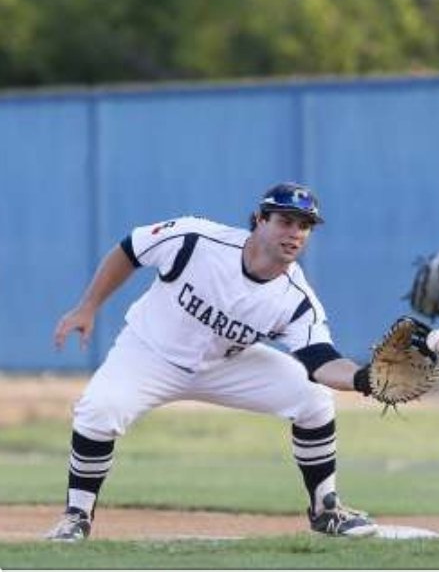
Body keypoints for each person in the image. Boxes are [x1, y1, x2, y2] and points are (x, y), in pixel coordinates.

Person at [46, 182, 383, 541]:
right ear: (259, 220)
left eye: (305, 226)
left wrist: (363, 378)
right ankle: (77, 516)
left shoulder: (296, 299)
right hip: (149, 352)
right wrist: (88, 306)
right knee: (99, 409)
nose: (295, 233)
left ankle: (325, 510)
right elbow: (130, 250)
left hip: (226, 364)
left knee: (312, 396)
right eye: (286, 221)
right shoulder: (196, 239)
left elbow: (321, 361)